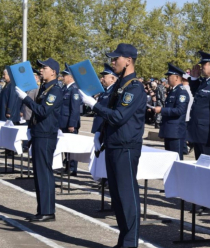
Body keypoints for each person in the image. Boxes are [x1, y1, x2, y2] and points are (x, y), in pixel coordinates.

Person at [79, 43, 146, 248]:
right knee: (117, 198)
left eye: (116, 58)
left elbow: (118, 116)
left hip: (126, 147)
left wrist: (93, 105)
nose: (113, 62)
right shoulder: (120, 85)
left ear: (128, 60)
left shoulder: (134, 87)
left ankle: (130, 243)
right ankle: (123, 240)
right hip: (114, 144)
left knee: (127, 196)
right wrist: (101, 131)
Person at [15, 58, 63, 222]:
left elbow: (43, 111)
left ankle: (48, 211)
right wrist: (30, 129)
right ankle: (42, 209)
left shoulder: (55, 90)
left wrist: (25, 99)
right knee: (39, 174)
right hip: (39, 133)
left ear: (53, 72)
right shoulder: (45, 88)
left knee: (44, 173)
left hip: (46, 135)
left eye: (44, 67)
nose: (40, 70)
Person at [154, 63, 189, 160]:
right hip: (169, 131)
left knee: (176, 160)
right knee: (169, 160)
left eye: (169, 76)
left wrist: (162, 110)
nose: (167, 78)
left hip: (175, 132)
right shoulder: (173, 91)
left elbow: (179, 110)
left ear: (177, 77)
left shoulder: (181, 91)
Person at [58, 64, 81, 176]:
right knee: (64, 146)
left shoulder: (74, 89)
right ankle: (67, 166)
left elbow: (75, 109)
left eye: (65, 75)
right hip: (62, 122)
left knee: (71, 147)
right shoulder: (64, 89)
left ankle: (72, 168)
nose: (63, 77)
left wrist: (72, 124)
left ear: (71, 77)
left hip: (69, 124)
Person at [91, 63, 118, 134]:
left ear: (112, 79)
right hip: (99, 126)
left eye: (104, 77)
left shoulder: (114, 91)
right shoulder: (105, 90)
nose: (101, 79)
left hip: (104, 127)